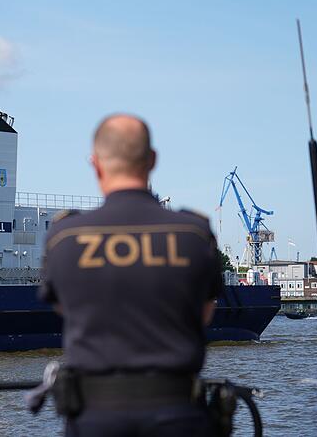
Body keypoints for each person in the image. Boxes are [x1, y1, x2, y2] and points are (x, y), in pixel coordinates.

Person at [40, 114, 222, 436]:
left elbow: (65, 310)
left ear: (95, 164)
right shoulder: (193, 233)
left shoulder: (64, 237)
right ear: (152, 160)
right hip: (179, 414)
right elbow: (205, 312)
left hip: (94, 418)